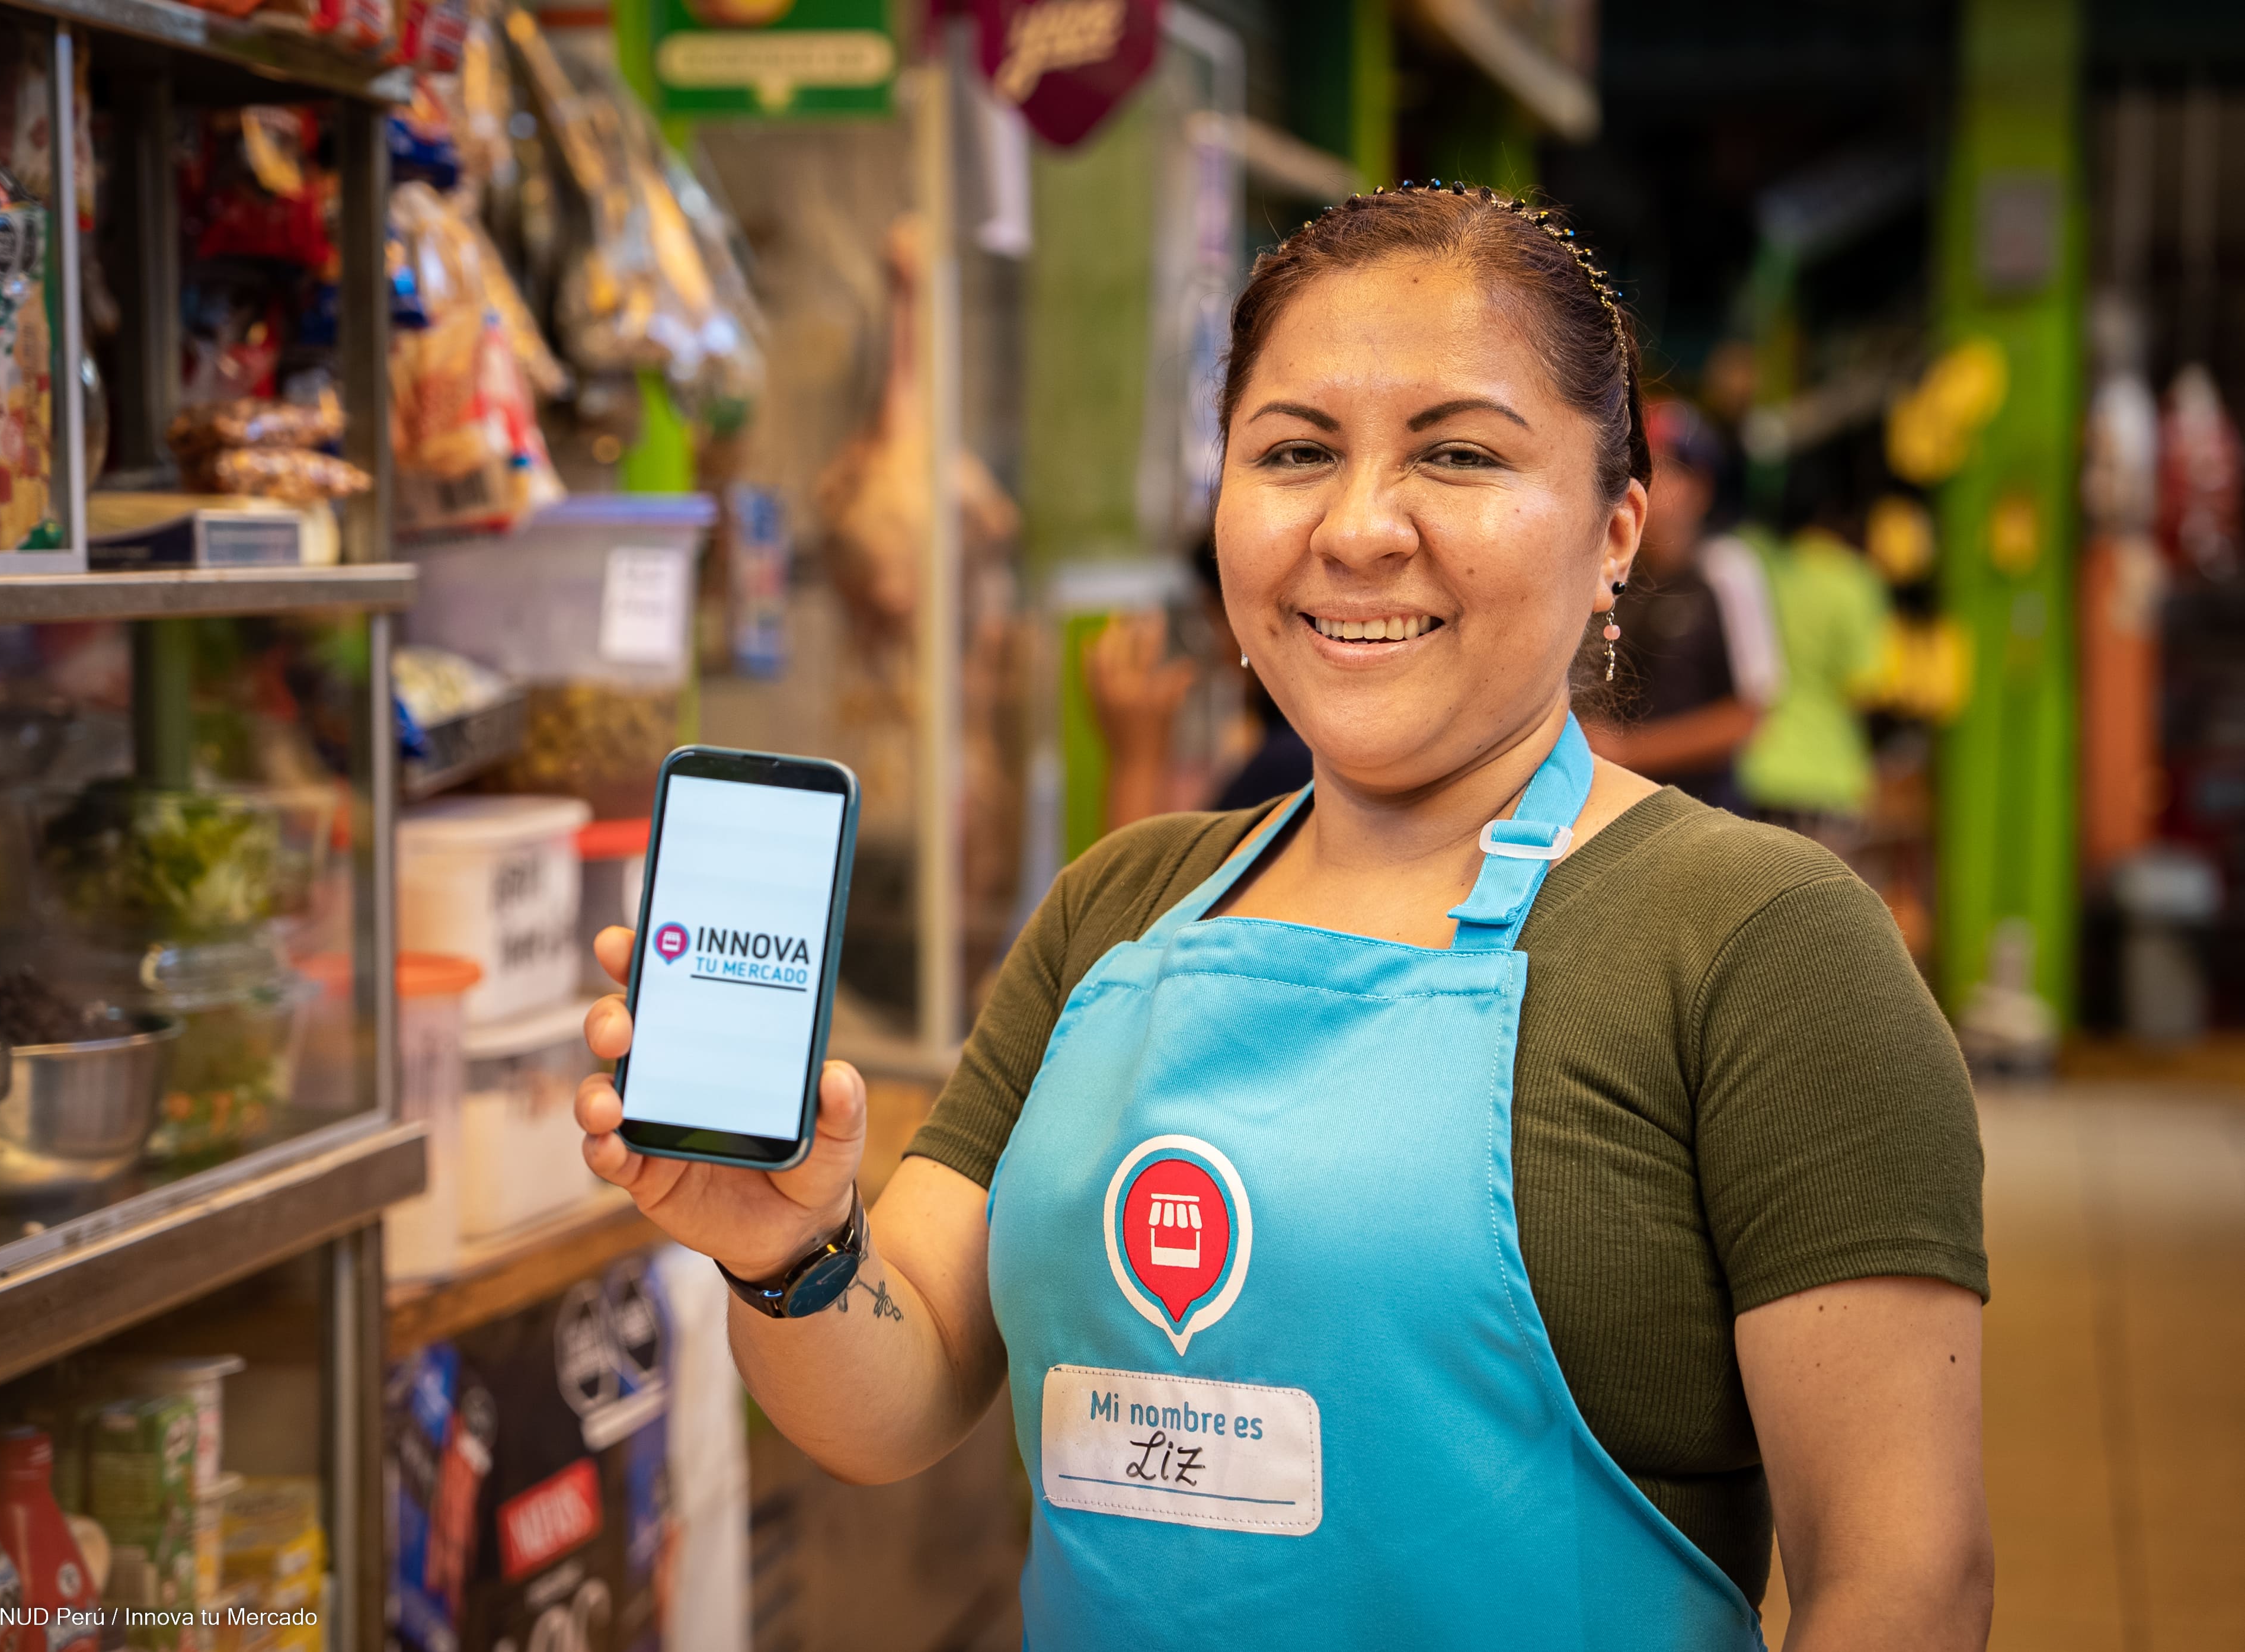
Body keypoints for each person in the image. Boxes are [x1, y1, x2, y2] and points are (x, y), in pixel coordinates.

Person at [576, 183, 1990, 1649]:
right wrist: (786, 1245)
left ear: (1613, 527)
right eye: (1293, 452)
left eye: (1456, 453)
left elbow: (1902, 1584)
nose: (1358, 527)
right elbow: (901, 1388)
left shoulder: (1758, 944)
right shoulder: (1117, 905)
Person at [1584, 398, 1782, 809]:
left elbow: (1749, 715)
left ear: (1702, 488)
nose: (1644, 485)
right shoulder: (1606, 571)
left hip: (1702, 809)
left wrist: (1628, 750)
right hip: (1610, 806)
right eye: (1633, 469)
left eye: (1665, 469)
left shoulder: (1726, 570)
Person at [1086, 538, 1313, 832]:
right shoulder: (1289, 753)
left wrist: (1137, 759)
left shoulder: (1286, 763)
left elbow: (1138, 878)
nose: (1218, 652)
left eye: (1211, 619)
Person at [1736, 518, 1893, 860]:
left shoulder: (1753, 563)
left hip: (1753, 765)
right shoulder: (1853, 580)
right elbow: (1866, 687)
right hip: (1824, 774)